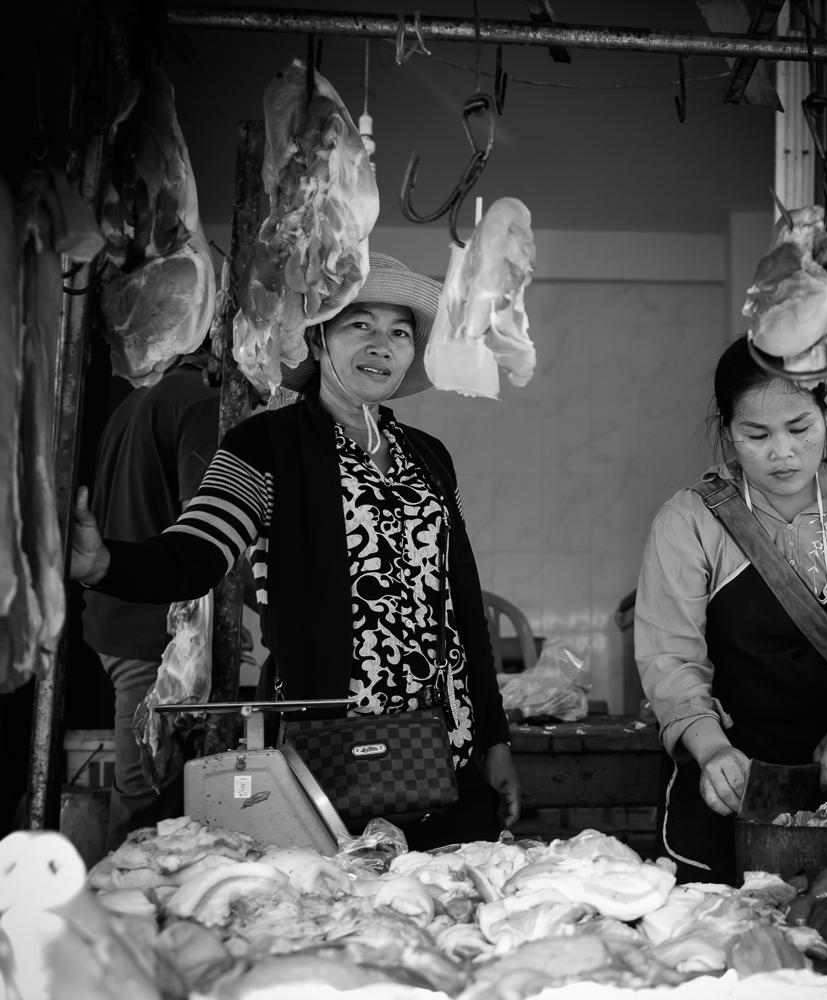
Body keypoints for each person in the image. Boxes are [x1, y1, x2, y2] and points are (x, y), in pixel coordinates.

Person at [71, 254, 520, 849]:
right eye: (360, 324)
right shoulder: (265, 444)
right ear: (318, 335)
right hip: (330, 757)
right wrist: (105, 564)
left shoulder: (430, 456)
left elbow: (462, 605)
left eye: (400, 331)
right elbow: (197, 551)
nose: (382, 345)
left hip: (446, 748)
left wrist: (496, 741)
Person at [635, 335, 827, 885]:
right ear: (727, 433)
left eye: (800, 429)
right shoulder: (690, 521)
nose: (782, 452)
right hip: (727, 787)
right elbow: (669, 655)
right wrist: (711, 749)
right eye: (756, 435)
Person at [81, 352, 220, 852]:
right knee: (149, 802)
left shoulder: (141, 397)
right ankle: (122, 917)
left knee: (152, 789)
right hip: (152, 639)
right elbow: (204, 533)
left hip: (115, 620)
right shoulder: (204, 401)